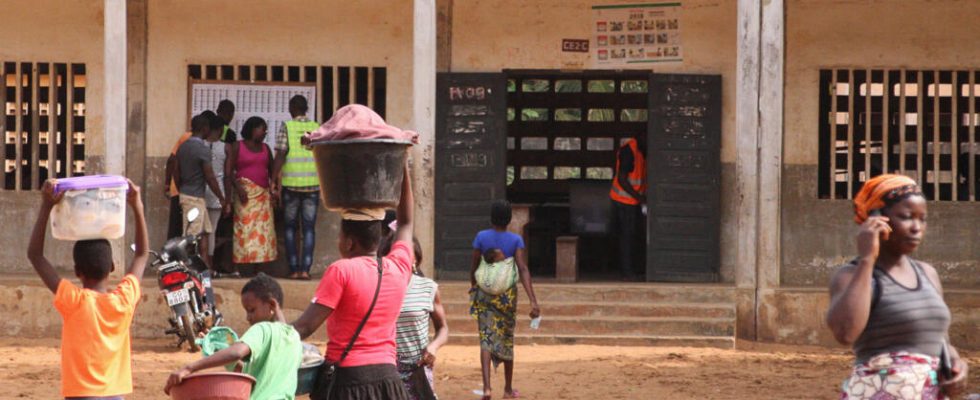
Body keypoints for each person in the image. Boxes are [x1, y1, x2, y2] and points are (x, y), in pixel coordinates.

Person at [826, 174, 969, 400]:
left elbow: (941, 340)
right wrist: (867, 260)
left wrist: (956, 363)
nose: (917, 227)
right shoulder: (852, 276)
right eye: (906, 217)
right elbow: (845, 333)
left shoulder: (927, 273)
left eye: (922, 219)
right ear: (877, 219)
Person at [291, 161, 415, 400]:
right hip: (389, 381)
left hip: (348, 381)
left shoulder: (341, 271)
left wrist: (266, 338)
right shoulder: (398, 267)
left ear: (348, 242)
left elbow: (305, 327)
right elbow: (407, 222)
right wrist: (401, 165)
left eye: (340, 236)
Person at [27, 179, 148, 400]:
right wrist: (136, 205)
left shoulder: (74, 301)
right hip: (115, 395)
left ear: (77, 271)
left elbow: (35, 255)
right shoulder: (124, 299)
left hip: (81, 395)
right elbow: (141, 254)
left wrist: (46, 206)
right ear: (112, 267)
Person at [165, 274, 302, 400]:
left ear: (271, 305)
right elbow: (252, 373)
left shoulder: (263, 328)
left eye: (251, 310)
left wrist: (189, 368)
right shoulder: (295, 338)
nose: (248, 317)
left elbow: (237, 352)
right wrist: (220, 350)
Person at [469, 200, 541, 400]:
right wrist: (533, 301)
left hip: (485, 295)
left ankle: (486, 388)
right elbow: (523, 269)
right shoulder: (515, 240)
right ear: (509, 219)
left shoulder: (481, 237)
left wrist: (473, 285)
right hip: (507, 297)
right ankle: (508, 389)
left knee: (486, 338)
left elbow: (474, 265)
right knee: (507, 339)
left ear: (491, 217)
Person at [380, 235, 449, 400]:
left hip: (419, 368)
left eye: (406, 255)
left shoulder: (428, 288)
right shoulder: (377, 288)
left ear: (416, 259)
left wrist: (433, 347)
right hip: (385, 369)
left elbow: (443, 328)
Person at [272, 95, 321, 280]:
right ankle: (305, 270)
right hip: (313, 186)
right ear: (306, 108)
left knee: (290, 228)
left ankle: (293, 270)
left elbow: (281, 154)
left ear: (292, 108)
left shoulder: (288, 126)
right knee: (309, 228)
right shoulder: (317, 128)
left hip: (291, 186)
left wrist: (273, 180)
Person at [176, 113, 229, 271]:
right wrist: (221, 197)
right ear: (205, 129)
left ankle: (206, 267)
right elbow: (210, 177)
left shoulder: (183, 146)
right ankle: (185, 269)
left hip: (191, 196)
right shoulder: (202, 149)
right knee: (191, 237)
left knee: (205, 232)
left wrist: (181, 188)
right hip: (194, 198)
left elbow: (175, 170)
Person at [225, 116, 278, 271]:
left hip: (262, 196)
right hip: (245, 195)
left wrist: (274, 189)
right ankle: (241, 268)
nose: (265, 132)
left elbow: (272, 171)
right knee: (244, 230)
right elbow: (229, 172)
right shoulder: (237, 146)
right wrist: (238, 188)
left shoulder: (266, 148)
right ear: (252, 129)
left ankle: (258, 268)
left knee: (263, 232)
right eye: (262, 129)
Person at [610, 137, 647, 281]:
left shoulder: (641, 152)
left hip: (634, 201)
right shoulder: (629, 151)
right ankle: (627, 272)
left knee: (634, 236)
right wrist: (639, 197)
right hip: (623, 201)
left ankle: (634, 270)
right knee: (627, 236)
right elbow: (622, 179)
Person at [203, 111, 234, 275]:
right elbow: (228, 175)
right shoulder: (226, 147)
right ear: (221, 129)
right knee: (212, 230)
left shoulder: (199, 144)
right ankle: (210, 264)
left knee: (199, 231)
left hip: (200, 191)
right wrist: (227, 200)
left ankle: (201, 264)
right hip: (217, 193)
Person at [165, 128, 193, 240]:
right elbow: (172, 160)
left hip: (181, 190)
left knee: (177, 229)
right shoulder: (188, 137)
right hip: (181, 190)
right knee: (180, 229)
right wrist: (168, 184)